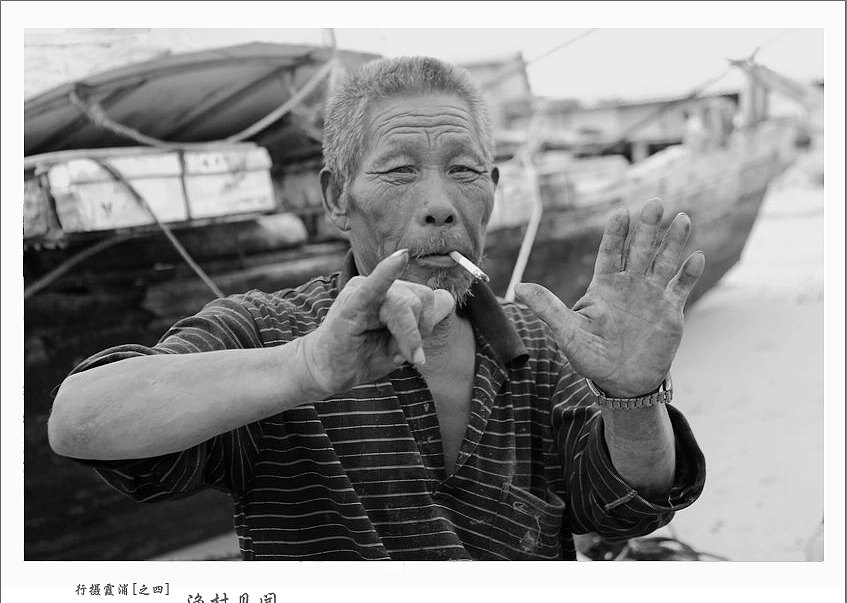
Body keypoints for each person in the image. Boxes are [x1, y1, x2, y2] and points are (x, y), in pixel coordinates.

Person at [48, 56, 706, 561]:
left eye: (464, 171)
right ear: (337, 198)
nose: (440, 205)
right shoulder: (272, 330)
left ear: (494, 190)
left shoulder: (537, 345)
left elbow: (625, 508)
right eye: (398, 171)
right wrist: (304, 369)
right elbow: (77, 420)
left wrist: (633, 398)